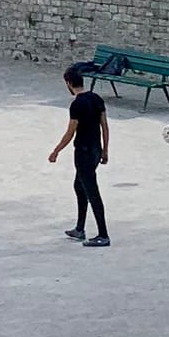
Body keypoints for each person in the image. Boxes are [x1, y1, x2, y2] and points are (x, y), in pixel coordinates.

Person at [47, 68, 111, 247]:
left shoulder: (76, 105)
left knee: (91, 191)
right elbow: (104, 127)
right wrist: (105, 150)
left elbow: (70, 132)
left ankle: (103, 235)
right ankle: (80, 228)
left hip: (83, 152)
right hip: (96, 149)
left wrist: (56, 150)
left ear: (68, 83)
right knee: (79, 185)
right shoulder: (97, 99)